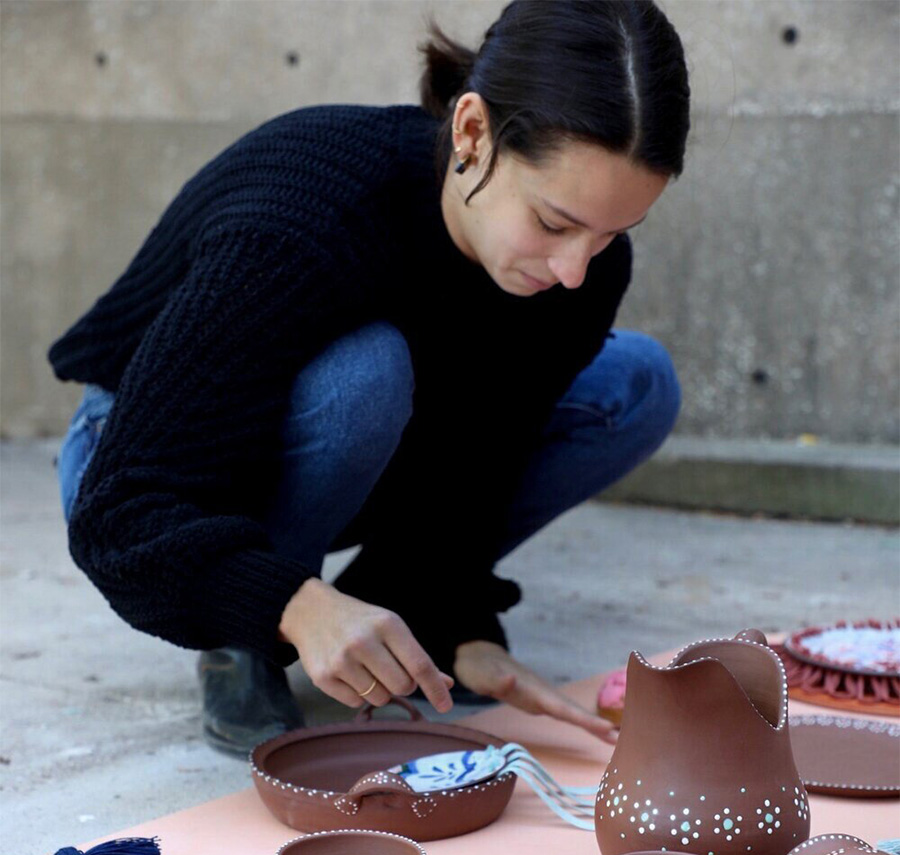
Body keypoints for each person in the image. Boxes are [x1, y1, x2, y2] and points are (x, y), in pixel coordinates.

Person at [49, 0, 689, 756]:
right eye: (553, 222)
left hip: (363, 437)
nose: (575, 268)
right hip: (152, 454)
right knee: (367, 376)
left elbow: (488, 456)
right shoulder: (304, 215)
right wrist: (289, 603)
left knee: (636, 382)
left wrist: (457, 622)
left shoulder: (583, 273)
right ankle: (246, 635)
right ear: (471, 132)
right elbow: (120, 512)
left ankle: (391, 605)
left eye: (611, 232)